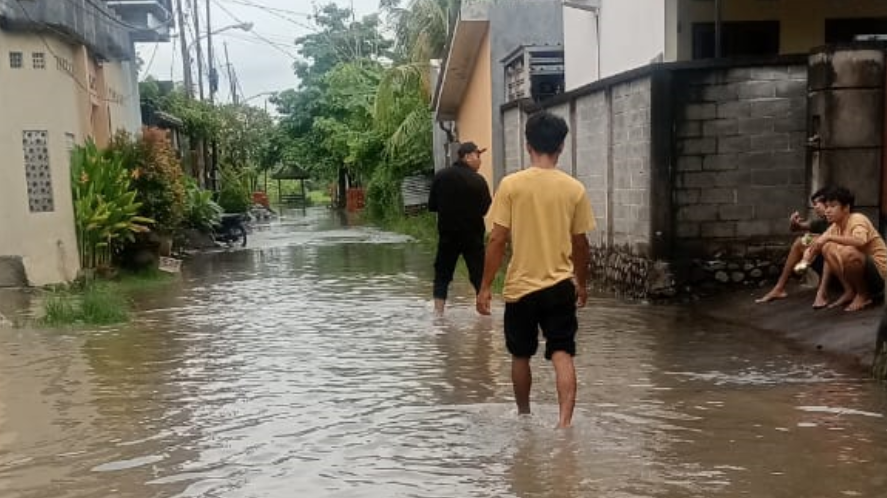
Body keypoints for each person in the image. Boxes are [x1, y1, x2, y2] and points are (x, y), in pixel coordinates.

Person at [476, 111, 595, 429]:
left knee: (520, 355)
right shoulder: (574, 189)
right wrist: (581, 284)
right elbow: (581, 244)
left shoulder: (511, 185)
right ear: (561, 146)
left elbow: (497, 239)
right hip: (559, 285)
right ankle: (564, 425)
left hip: (520, 288)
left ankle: (524, 415)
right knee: (562, 353)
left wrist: (485, 286)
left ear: (527, 145)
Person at [428, 141, 492, 315]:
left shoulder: (441, 176)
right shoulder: (478, 181)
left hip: (448, 235)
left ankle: (438, 315)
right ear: (468, 156)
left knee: (442, 275)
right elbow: (485, 208)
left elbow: (432, 205)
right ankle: (485, 314)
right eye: (478, 156)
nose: (480, 161)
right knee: (479, 275)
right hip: (473, 237)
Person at [808, 187, 887, 312]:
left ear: (846, 208)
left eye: (832, 206)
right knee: (827, 247)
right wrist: (808, 255)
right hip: (861, 273)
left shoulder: (857, 219)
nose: (827, 211)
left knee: (849, 252)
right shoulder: (836, 226)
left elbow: (860, 241)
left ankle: (863, 295)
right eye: (827, 206)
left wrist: (828, 237)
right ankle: (849, 291)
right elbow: (820, 243)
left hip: (880, 276)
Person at [756, 186, 833, 306]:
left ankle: (822, 292)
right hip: (823, 263)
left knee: (822, 244)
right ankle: (779, 287)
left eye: (819, 203)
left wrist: (816, 241)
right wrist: (794, 222)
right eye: (814, 203)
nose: (815, 206)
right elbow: (796, 228)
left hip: (840, 266)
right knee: (800, 241)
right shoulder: (820, 222)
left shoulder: (841, 220)